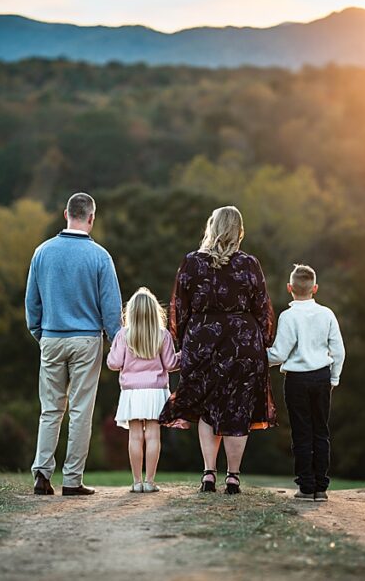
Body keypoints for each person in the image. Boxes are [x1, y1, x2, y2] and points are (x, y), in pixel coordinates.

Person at [159, 206, 277, 494]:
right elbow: (262, 306)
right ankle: (233, 477)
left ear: (211, 227)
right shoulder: (249, 264)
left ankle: (208, 473)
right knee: (238, 408)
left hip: (203, 341)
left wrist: (186, 339)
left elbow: (180, 307)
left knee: (207, 409)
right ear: (239, 231)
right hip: (242, 342)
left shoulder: (192, 262)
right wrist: (262, 340)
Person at [25, 192, 122, 496]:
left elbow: (32, 301)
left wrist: (40, 333)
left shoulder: (42, 252)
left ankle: (42, 473)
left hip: (52, 336)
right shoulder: (100, 257)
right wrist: (116, 339)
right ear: (91, 218)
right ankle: (71, 480)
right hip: (86, 339)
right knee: (80, 410)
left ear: (65, 214)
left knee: (50, 409)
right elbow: (111, 308)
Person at [267, 264, 346, 501]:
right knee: (321, 432)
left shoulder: (288, 316)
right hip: (322, 377)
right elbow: (339, 351)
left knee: (301, 433)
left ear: (290, 288)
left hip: (297, 381)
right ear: (315, 288)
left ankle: (306, 487)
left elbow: (279, 355)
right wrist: (334, 378)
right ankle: (321, 487)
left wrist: (257, 356)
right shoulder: (327, 314)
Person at [106, 287, 179, 493]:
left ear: (131, 312)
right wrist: (183, 356)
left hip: (131, 392)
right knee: (154, 436)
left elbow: (113, 363)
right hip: (156, 392)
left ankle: (137, 482)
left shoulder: (123, 335)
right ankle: (150, 481)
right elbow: (171, 363)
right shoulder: (162, 335)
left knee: (135, 436)